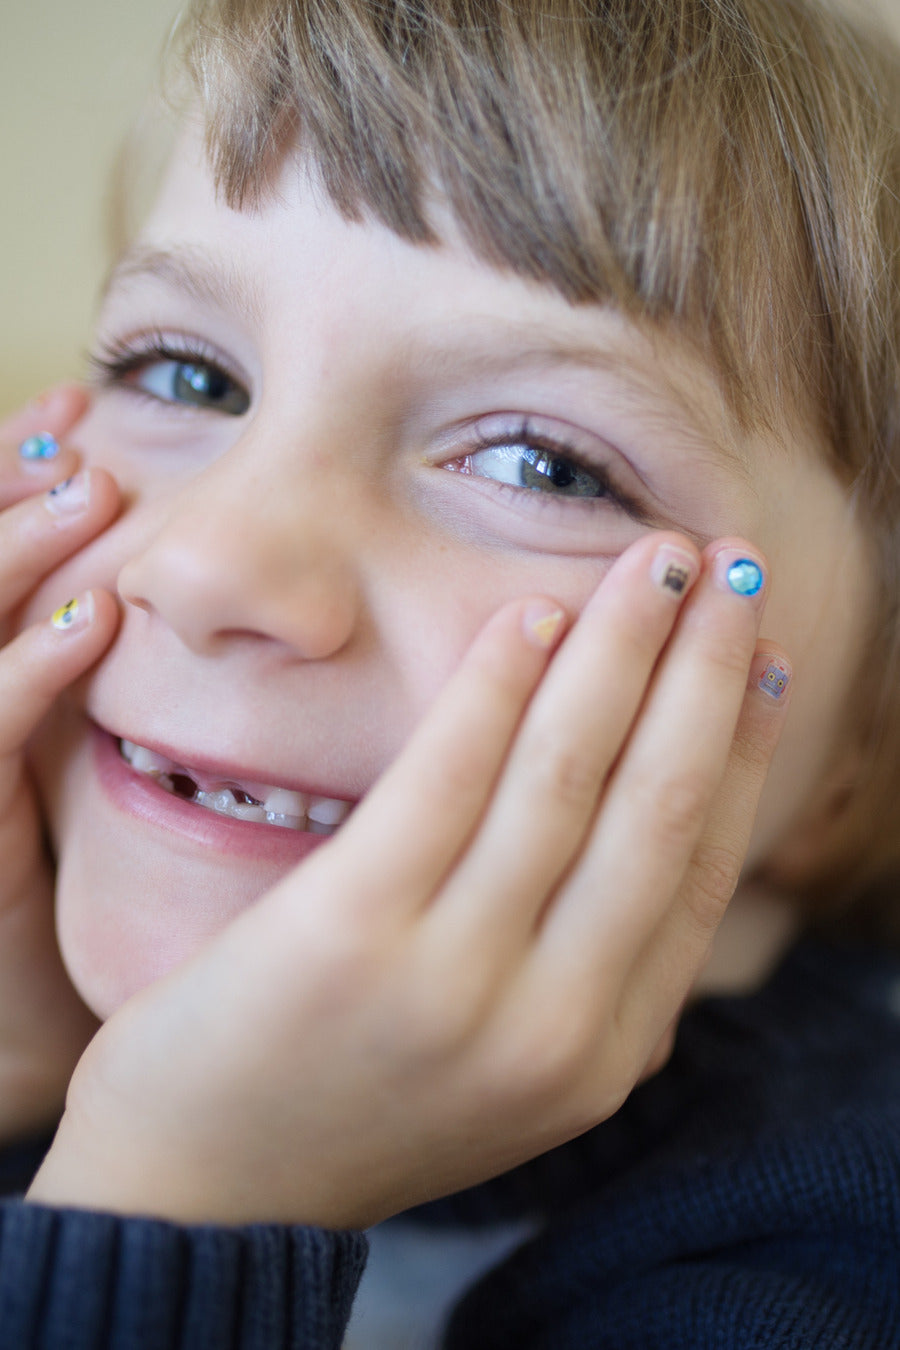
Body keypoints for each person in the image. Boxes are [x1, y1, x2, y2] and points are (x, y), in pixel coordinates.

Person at [1, 0, 899, 1345]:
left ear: (862, 746)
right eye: (186, 374)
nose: (206, 566)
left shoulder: (830, 1271)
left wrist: (174, 1211)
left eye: (542, 466)